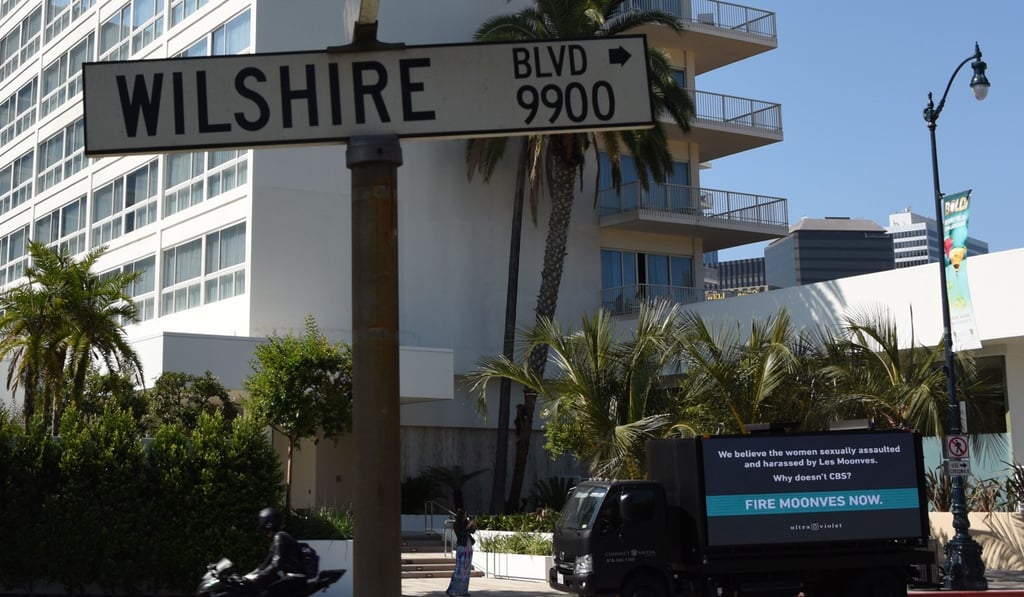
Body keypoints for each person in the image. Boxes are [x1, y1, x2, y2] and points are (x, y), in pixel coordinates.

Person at [246, 507, 306, 597]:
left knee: (264, 594)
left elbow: (276, 564)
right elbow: (266, 563)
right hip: (289, 577)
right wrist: (247, 576)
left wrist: (258, 576)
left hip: (295, 578)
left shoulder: (279, 537)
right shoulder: (277, 538)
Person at [445, 508, 476, 597]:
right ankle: (453, 590)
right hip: (462, 547)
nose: (466, 516)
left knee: (466, 570)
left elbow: (472, 531)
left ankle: (463, 591)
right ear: (461, 515)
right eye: (465, 515)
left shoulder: (466, 522)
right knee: (459, 570)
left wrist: (473, 524)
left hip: (468, 546)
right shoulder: (457, 524)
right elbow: (461, 533)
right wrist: (468, 525)